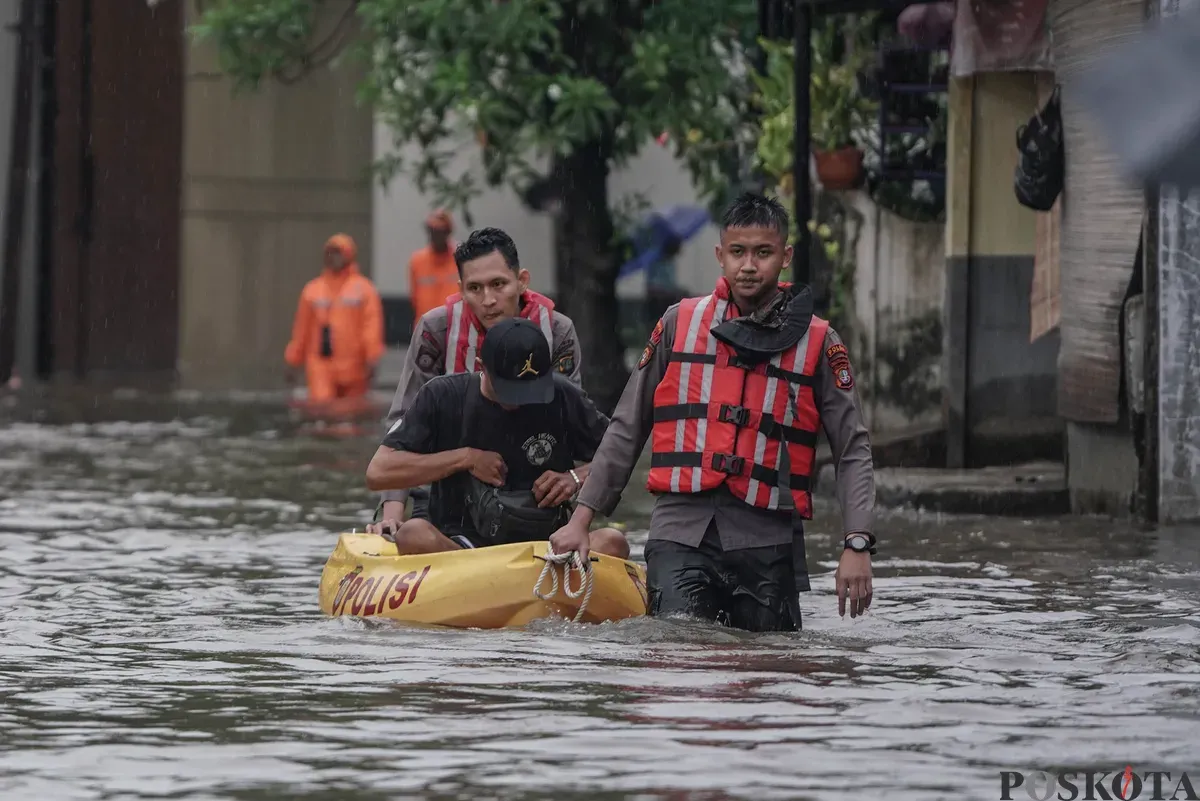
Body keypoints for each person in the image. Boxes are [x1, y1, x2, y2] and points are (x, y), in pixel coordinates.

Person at [549, 192, 876, 632]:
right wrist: (580, 520)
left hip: (767, 542)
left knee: (767, 672)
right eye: (738, 252)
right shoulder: (677, 323)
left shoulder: (819, 342)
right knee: (678, 653)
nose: (748, 265)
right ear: (720, 255)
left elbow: (852, 448)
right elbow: (628, 426)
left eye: (763, 253)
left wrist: (857, 545)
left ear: (785, 257)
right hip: (680, 534)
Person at [370, 227, 584, 534]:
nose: (488, 300)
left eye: (498, 284)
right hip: (443, 495)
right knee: (414, 535)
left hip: (536, 498)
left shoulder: (558, 332)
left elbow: (581, 430)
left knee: (612, 542)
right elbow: (403, 425)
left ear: (522, 280)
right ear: (460, 289)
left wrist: (575, 486)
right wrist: (391, 514)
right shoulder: (436, 330)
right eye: (475, 288)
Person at [365, 317, 628, 558]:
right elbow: (378, 472)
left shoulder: (562, 395)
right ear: (482, 367)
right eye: (509, 390)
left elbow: (621, 455)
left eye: (529, 390)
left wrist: (576, 477)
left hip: (547, 543)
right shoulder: (442, 396)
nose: (518, 401)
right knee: (413, 534)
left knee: (613, 542)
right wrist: (465, 458)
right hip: (460, 546)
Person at [284, 234, 384, 402]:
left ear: (349, 254)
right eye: (330, 253)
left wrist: (372, 357)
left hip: (354, 366)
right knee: (322, 409)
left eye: (338, 252)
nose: (333, 257)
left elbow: (372, 326)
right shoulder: (312, 290)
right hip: (321, 366)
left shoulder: (365, 290)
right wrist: (293, 361)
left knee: (350, 415)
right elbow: (301, 331)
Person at [408, 209, 459, 327]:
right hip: (426, 327)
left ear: (448, 232)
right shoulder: (417, 261)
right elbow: (414, 298)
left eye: (439, 231)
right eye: (432, 231)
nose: (435, 235)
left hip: (455, 327)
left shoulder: (460, 258)